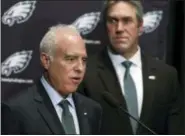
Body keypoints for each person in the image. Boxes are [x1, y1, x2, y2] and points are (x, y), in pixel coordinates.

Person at [78, 0, 184, 134]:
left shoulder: (167, 75)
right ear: (106, 26)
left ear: (140, 26)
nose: (119, 28)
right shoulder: (85, 73)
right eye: (113, 21)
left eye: (127, 21)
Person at [4, 24, 102, 135]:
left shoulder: (92, 110)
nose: (80, 68)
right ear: (46, 61)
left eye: (83, 60)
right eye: (70, 59)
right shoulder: (17, 111)